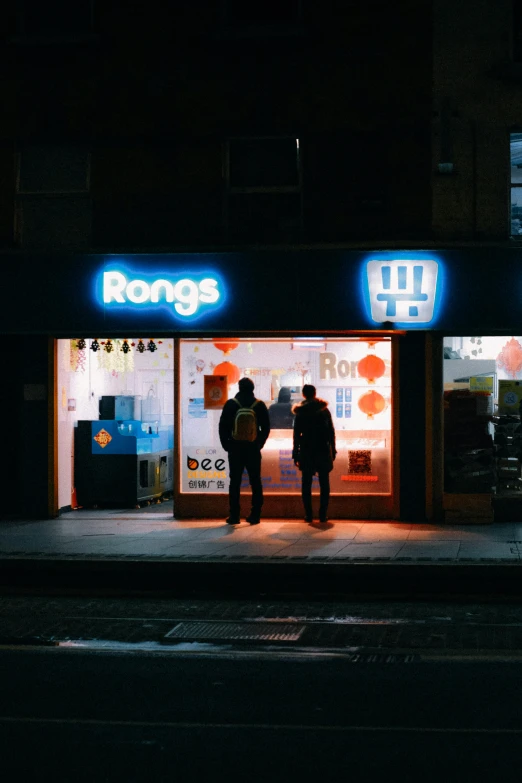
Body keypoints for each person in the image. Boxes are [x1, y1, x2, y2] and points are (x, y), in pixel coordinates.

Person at [219, 376, 270, 525]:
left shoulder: (231, 404)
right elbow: (266, 428)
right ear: (253, 389)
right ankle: (255, 514)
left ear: (239, 388)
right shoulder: (259, 405)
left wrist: (227, 445)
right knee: (255, 481)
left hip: (235, 449)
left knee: (235, 482)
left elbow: (223, 427)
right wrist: (259, 443)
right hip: (253, 449)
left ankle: (234, 515)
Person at [292, 384, 336, 524]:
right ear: (315, 393)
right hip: (322, 449)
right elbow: (331, 432)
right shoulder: (324, 410)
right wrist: (333, 449)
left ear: (304, 394)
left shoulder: (300, 411)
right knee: (324, 482)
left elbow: (296, 434)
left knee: (306, 483)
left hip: (307, 449)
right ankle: (323, 514)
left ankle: (308, 515)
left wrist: (295, 451)